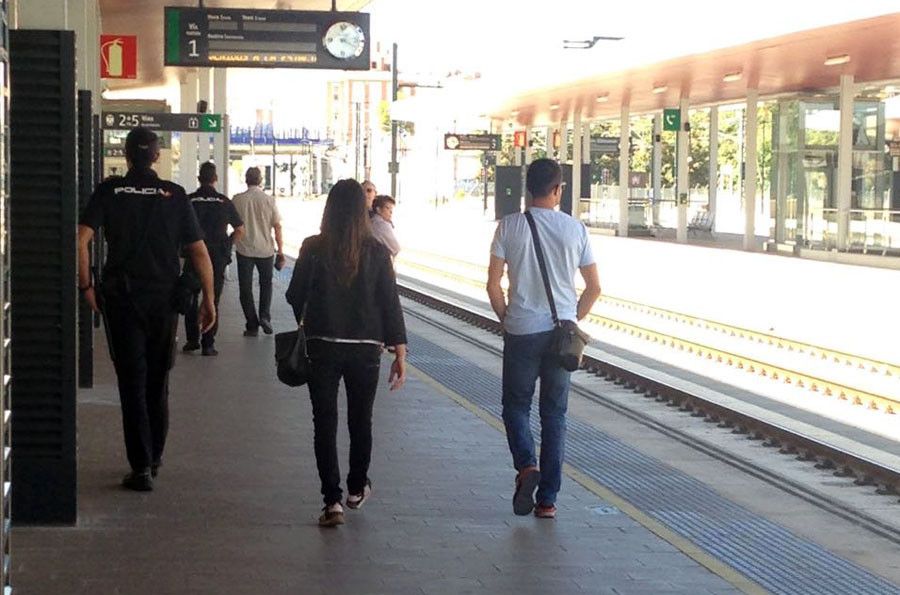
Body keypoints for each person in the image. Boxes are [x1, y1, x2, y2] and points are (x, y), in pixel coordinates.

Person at [77, 126, 216, 491]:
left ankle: (139, 468)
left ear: (126, 156)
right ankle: (154, 458)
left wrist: (86, 285)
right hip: (164, 301)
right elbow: (200, 252)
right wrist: (210, 301)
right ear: (156, 156)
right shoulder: (174, 194)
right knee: (158, 381)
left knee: (131, 382)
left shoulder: (110, 191)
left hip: (122, 302)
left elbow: (81, 240)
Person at [286, 179, 408, 528]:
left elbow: (294, 294)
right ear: (361, 211)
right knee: (360, 419)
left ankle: (332, 502)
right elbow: (390, 303)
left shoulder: (312, 247)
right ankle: (356, 488)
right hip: (366, 349)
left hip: (322, 345)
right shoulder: (377, 251)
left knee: (324, 422)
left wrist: (310, 322)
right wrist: (399, 350)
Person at [486, 158, 601, 519]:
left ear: (527, 189)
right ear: (558, 189)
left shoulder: (509, 226)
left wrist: (506, 317)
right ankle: (548, 501)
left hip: (522, 331)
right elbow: (595, 287)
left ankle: (525, 466)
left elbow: (493, 284)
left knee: (515, 407)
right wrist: (573, 316)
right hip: (559, 335)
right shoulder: (575, 229)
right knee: (554, 415)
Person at [182, 161, 245, 356]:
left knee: (191, 297)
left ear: (199, 179)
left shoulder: (189, 200)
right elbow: (240, 230)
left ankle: (192, 340)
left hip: (194, 254)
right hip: (217, 256)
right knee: (213, 298)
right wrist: (227, 245)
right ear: (215, 179)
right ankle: (208, 343)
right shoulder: (224, 201)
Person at [232, 167, 284, 336]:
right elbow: (277, 227)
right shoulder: (269, 200)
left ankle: (252, 323)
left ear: (246, 180)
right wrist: (281, 251)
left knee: (245, 288)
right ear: (260, 180)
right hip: (266, 250)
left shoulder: (237, 200)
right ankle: (265, 316)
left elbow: (232, 224)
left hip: (244, 249)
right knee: (266, 285)